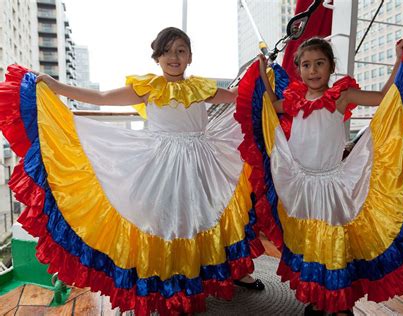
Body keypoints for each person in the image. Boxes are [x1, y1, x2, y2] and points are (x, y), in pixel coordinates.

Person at [0, 27, 265, 316]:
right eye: (167, 51)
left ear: (190, 56)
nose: (174, 57)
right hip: (161, 167)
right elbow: (101, 96)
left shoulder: (202, 87)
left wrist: (263, 72)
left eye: (181, 50)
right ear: (157, 57)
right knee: (163, 222)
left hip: (201, 163)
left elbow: (239, 96)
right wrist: (58, 87)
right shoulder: (149, 87)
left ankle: (213, 274)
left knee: (202, 219)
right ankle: (164, 284)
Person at [234, 37, 403, 315]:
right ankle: (318, 296)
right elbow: (268, 104)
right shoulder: (293, 100)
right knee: (311, 242)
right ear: (298, 69)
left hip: (332, 185)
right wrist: (263, 69)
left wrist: (399, 61)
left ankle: (339, 304)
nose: (312, 70)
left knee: (333, 242)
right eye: (306, 65)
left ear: (331, 67)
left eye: (319, 63)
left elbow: (386, 98)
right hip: (301, 185)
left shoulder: (341, 96)